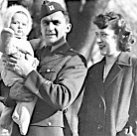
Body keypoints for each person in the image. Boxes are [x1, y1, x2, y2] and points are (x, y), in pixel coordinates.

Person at [1, 1, 87, 136]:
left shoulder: (74, 61)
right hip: (15, 129)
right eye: (45, 23)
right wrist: (10, 94)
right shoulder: (29, 49)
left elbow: (62, 98)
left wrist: (28, 72)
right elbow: (4, 82)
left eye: (56, 23)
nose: (50, 28)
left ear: (67, 27)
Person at [79, 11, 137, 136]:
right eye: (97, 35)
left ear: (119, 36)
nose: (98, 40)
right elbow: (84, 113)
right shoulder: (93, 71)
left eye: (104, 35)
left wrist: (134, 134)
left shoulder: (136, 67)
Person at [0, 5, 39, 135]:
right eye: (15, 23)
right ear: (7, 23)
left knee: (16, 102)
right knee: (26, 98)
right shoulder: (14, 41)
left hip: (20, 75)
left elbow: (30, 57)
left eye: (23, 24)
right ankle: (22, 120)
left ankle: (6, 121)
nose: (19, 27)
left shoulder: (27, 42)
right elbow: (8, 51)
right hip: (14, 74)